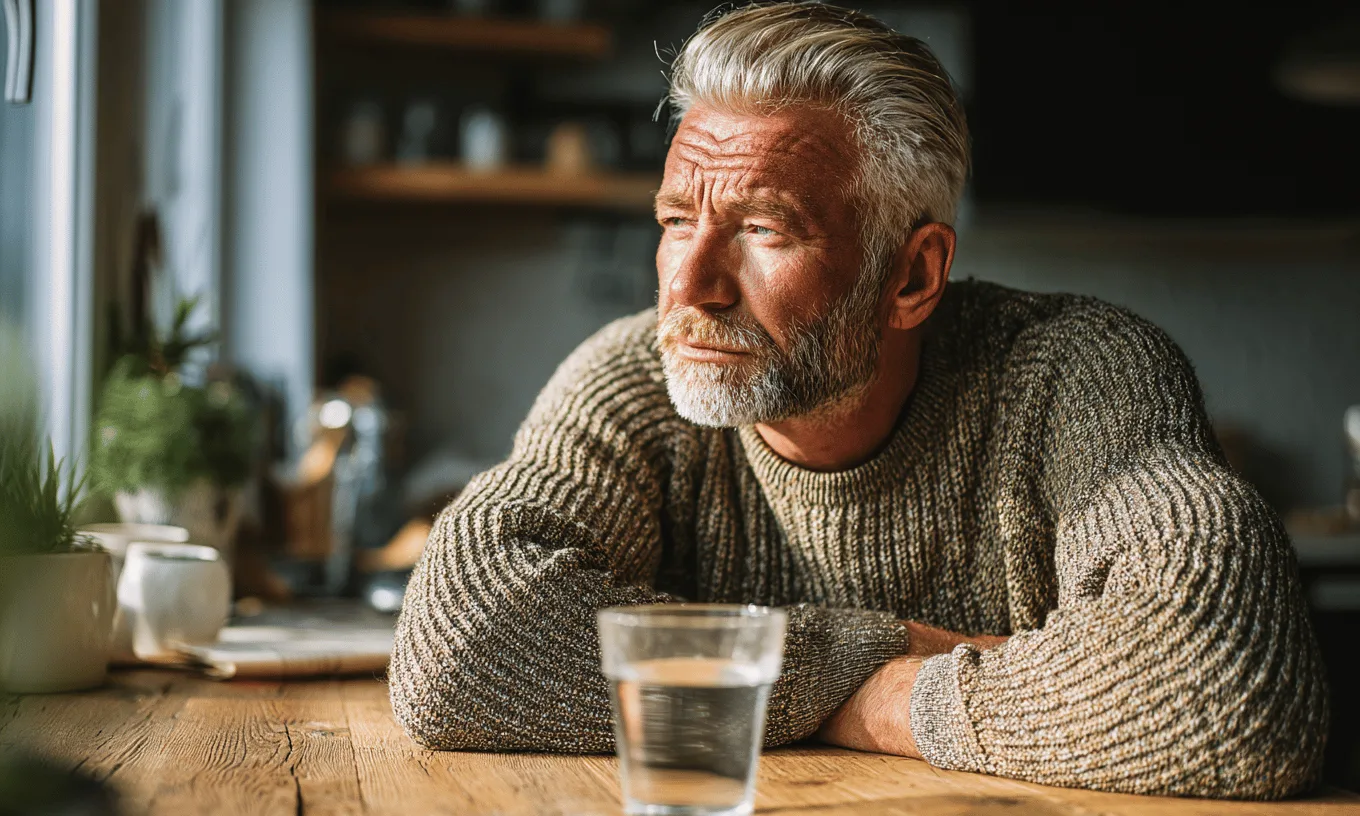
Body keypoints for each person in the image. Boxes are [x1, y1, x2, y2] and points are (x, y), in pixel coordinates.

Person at [388, 2, 1327, 799]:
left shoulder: (1078, 374)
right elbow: (460, 648)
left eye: (763, 227)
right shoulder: (636, 377)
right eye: (678, 222)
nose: (691, 286)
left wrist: (877, 702)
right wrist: (859, 660)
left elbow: (1229, 683)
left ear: (912, 276)